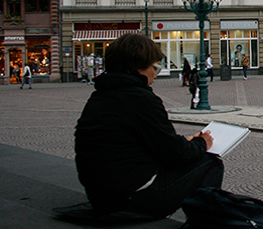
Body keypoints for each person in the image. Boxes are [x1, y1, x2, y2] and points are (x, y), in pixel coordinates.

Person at [75, 33, 223, 218]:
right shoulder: (140, 98)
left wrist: (184, 142)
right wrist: (201, 143)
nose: (155, 73)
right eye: (154, 67)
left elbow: (147, 141)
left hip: (101, 196)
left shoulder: (100, 96)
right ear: (138, 67)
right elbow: (173, 154)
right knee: (211, 163)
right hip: (134, 197)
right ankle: (205, 221)